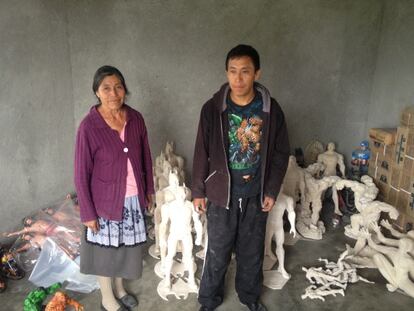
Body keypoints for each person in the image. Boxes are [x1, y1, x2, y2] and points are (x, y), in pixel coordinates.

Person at [192, 45, 290, 311]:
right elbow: (201, 150)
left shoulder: (270, 109)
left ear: (257, 73)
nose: (238, 79)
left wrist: (270, 189)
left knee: (251, 251)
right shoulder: (212, 109)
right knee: (217, 251)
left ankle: (249, 297)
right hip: (221, 192)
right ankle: (209, 299)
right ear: (226, 72)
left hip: (255, 193)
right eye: (233, 72)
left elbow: (281, 153)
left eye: (245, 72)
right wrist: (198, 191)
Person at [74, 65, 154, 311]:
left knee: (125, 249)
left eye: (118, 86)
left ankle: (120, 288)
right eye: (106, 88)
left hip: (132, 199)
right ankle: (107, 298)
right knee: (106, 253)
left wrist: (149, 189)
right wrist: (87, 212)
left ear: (125, 90)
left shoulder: (135, 118)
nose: (113, 93)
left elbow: (146, 158)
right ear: (97, 92)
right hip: (104, 203)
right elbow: (80, 172)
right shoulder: (89, 127)